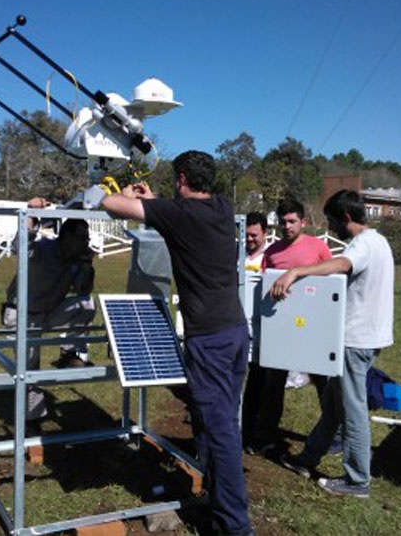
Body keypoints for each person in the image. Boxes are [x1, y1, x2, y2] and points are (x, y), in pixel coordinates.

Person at [102, 151, 254, 536]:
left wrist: (126, 192)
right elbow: (175, 210)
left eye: (176, 181)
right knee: (216, 422)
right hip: (235, 331)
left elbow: (110, 204)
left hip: (211, 340)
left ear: (182, 179)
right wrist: (154, 201)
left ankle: (236, 527)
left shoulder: (178, 214)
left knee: (221, 434)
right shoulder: (222, 206)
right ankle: (219, 509)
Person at [274, 189, 394, 499]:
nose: (330, 229)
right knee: (332, 404)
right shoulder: (379, 241)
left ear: (347, 218)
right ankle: (308, 458)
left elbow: (342, 265)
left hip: (356, 339)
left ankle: (357, 480)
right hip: (365, 336)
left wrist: (297, 271)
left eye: (332, 221)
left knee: (352, 410)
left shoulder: (364, 244)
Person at [241, 198, 332, 456]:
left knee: (323, 379)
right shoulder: (271, 253)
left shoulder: (318, 247)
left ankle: (335, 432)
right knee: (273, 383)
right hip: (280, 328)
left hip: (312, 326)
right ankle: (264, 435)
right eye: (283, 222)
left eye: (292, 221)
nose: (287, 226)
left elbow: (331, 281)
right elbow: (265, 287)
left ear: (303, 222)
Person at [3, 210, 97, 419]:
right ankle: (32, 419)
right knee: (28, 371)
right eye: (83, 238)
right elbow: (20, 247)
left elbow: (83, 290)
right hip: (21, 315)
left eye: (87, 238)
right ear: (67, 237)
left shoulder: (76, 260)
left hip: (48, 312)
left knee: (87, 304)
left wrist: (87, 265)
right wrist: (28, 213)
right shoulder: (43, 250)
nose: (86, 242)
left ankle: (69, 353)